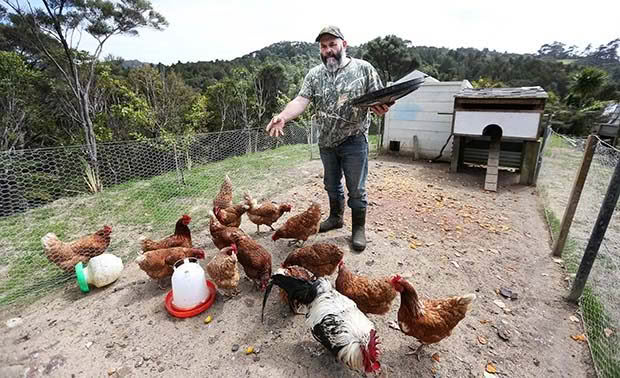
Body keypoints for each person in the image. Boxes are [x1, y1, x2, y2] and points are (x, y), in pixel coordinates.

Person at [265, 25, 391, 252]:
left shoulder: (364, 69)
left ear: (344, 44)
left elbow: (379, 98)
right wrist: (283, 116)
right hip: (326, 142)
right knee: (331, 185)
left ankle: (358, 229)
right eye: (323, 46)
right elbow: (301, 100)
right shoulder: (315, 74)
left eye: (332, 44)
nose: (328, 50)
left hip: (354, 140)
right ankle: (335, 218)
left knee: (357, 189)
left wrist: (381, 107)